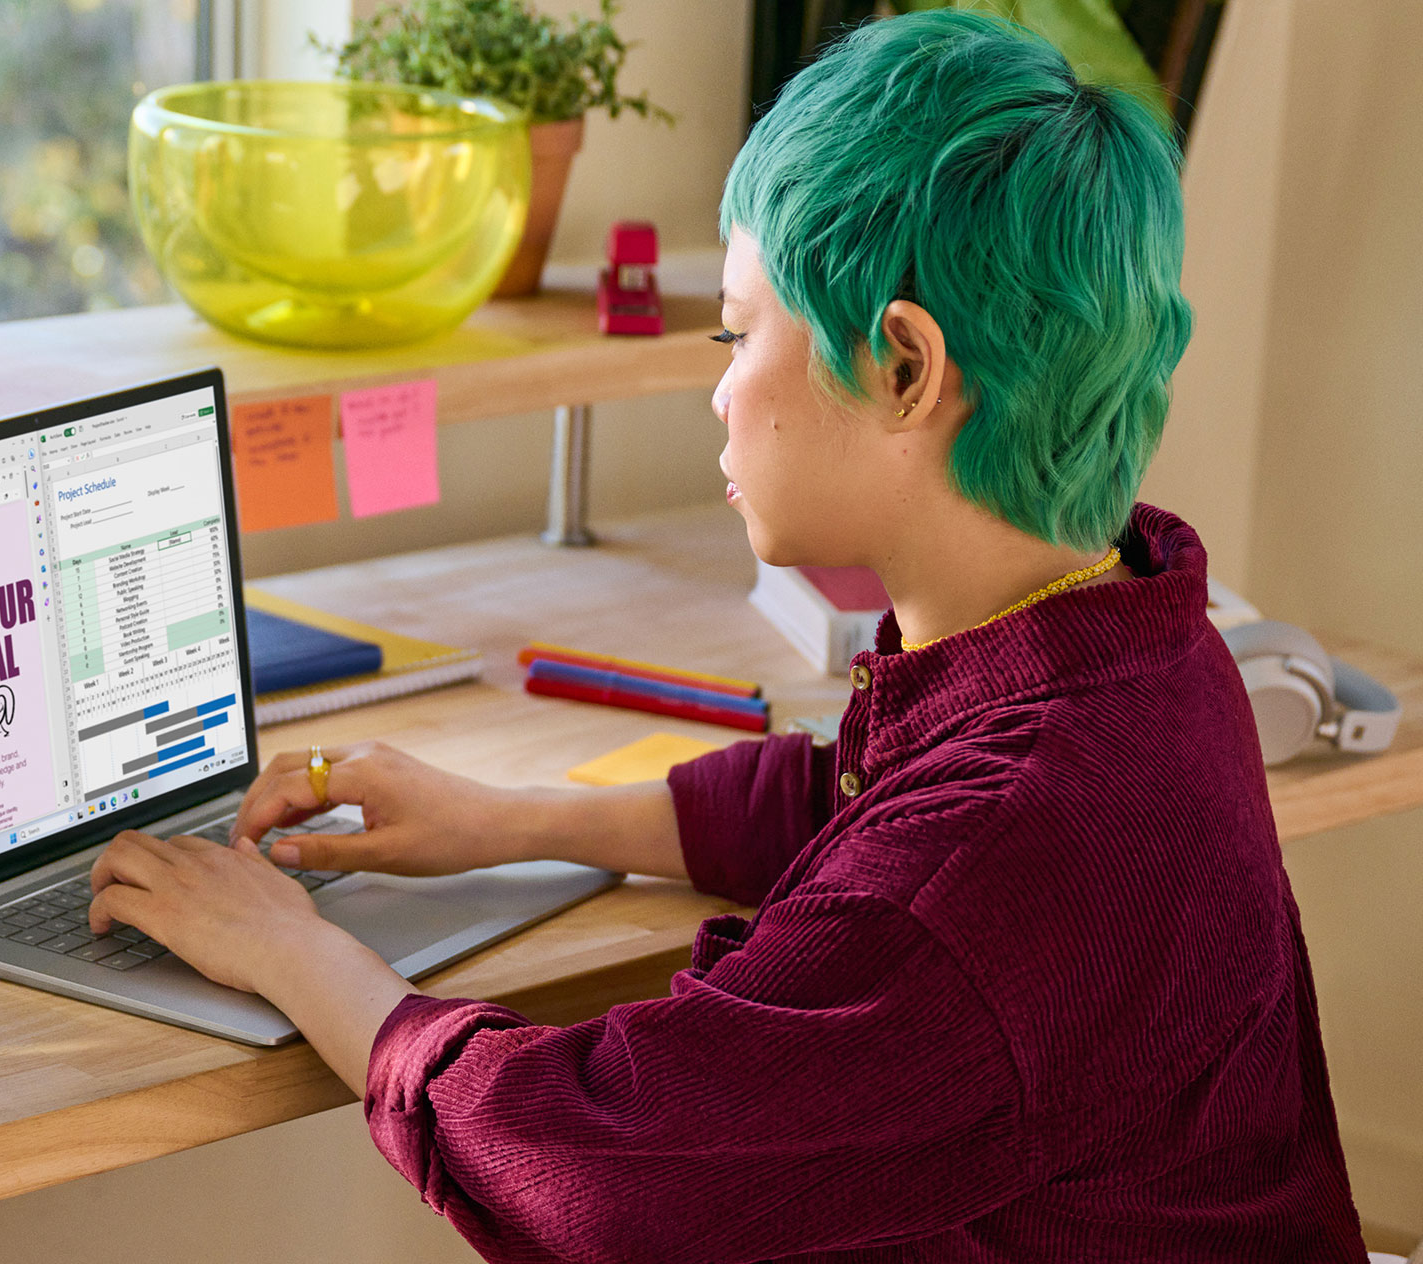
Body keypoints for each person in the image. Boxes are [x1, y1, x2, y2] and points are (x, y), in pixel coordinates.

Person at [81, 10, 1368, 1261]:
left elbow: (594, 1168)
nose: (716, 382)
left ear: (905, 370)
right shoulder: (1135, 630)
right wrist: (516, 818)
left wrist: (294, 950)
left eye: (740, 330)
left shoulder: (971, 877)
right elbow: (852, 803)